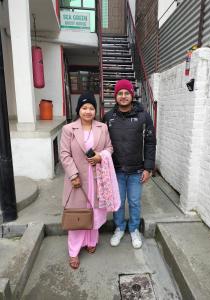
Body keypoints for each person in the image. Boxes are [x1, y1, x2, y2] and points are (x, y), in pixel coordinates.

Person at [60, 91, 120, 269]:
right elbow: (64, 154)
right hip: (77, 181)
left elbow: (109, 147)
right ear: (79, 109)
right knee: (77, 215)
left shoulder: (102, 127)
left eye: (91, 108)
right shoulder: (69, 129)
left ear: (96, 110)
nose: (88, 111)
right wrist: (73, 175)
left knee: (95, 212)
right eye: (84, 108)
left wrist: (101, 157)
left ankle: (91, 241)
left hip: (97, 180)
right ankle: (73, 252)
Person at [103, 79, 156, 249]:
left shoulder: (143, 116)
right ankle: (119, 228)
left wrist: (148, 168)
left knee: (134, 201)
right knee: (117, 202)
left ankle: (133, 229)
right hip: (115, 170)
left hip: (136, 170)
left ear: (132, 95)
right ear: (115, 96)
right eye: (120, 93)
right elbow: (103, 143)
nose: (123, 96)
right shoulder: (109, 117)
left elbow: (150, 142)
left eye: (127, 93)